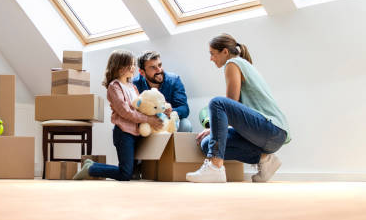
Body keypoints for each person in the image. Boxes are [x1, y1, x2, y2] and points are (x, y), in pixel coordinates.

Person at [186, 34, 291, 183]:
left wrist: (215, 126)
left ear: (225, 52)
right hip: (268, 134)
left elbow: (229, 104)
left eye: (212, 54)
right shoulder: (244, 64)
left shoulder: (233, 63)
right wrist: (213, 130)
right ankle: (265, 160)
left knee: (217, 103)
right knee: (206, 143)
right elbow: (235, 111)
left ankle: (215, 167)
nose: (211, 58)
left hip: (271, 130)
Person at [73, 50, 164, 181]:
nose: (133, 68)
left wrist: (158, 111)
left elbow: (141, 107)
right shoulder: (114, 87)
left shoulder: (132, 87)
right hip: (124, 133)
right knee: (125, 174)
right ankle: (91, 168)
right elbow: (125, 112)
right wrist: (149, 120)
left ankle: (92, 166)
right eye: (130, 64)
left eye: (133, 64)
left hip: (137, 132)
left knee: (131, 171)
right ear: (119, 67)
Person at [133, 51, 192, 132]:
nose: (159, 70)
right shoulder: (135, 84)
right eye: (153, 67)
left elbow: (184, 108)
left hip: (168, 121)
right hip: (146, 123)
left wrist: (172, 111)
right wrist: (149, 119)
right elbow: (132, 110)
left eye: (160, 65)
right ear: (142, 72)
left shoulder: (174, 80)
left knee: (186, 124)